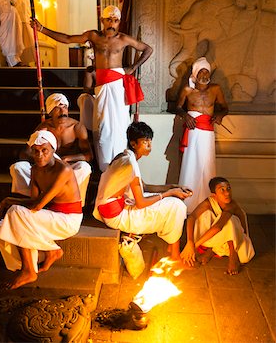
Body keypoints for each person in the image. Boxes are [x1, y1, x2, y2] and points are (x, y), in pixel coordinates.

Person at [32, 5, 153, 172]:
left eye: (116, 20)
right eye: (109, 20)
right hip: (102, 87)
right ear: (102, 20)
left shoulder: (124, 39)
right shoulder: (93, 36)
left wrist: (132, 67)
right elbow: (68, 38)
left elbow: (148, 49)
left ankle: (120, 165)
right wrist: (42, 29)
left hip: (118, 87)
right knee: (103, 126)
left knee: (120, 125)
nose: (112, 23)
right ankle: (105, 169)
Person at [0, 130, 83, 289]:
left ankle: (29, 270)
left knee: (15, 212)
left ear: (53, 150)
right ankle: (48, 252)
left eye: (44, 150)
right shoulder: (35, 169)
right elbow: (34, 201)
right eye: (36, 151)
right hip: (50, 216)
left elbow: (38, 206)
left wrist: (8, 200)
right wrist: (9, 202)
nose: (40, 155)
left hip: (68, 220)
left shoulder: (63, 170)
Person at [93, 121, 192, 261]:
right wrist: (169, 193)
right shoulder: (129, 165)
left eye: (150, 141)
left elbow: (143, 186)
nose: (150, 146)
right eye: (145, 142)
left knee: (171, 201)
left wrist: (173, 186)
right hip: (116, 215)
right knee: (176, 205)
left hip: (114, 206)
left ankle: (172, 245)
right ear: (133, 144)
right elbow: (140, 203)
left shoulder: (124, 156)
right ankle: (174, 253)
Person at [10, 93, 93, 207]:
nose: (62, 111)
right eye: (57, 108)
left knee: (84, 167)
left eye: (64, 107)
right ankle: (38, 199)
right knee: (18, 167)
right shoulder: (44, 128)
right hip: (47, 169)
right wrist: (41, 157)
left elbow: (88, 156)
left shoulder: (77, 127)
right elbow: (25, 153)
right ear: (50, 112)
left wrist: (67, 158)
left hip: (67, 171)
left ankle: (73, 201)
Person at [175, 57, 228, 213]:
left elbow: (225, 107)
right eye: (201, 72)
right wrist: (186, 116)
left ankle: (208, 204)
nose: (205, 75)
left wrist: (220, 115)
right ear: (195, 74)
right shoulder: (187, 90)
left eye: (207, 72)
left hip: (208, 132)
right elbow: (177, 107)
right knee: (191, 164)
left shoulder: (215, 89)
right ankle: (187, 205)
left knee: (207, 163)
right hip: (192, 131)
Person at [180, 177, 255, 275]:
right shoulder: (209, 202)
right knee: (204, 214)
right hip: (217, 236)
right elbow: (192, 217)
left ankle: (233, 254)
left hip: (237, 239)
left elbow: (218, 227)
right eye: (222, 190)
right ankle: (212, 249)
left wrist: (193, 246)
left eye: (228, 188)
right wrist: (189, 242)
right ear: (214, 195)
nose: (227, 193)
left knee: (231, 221)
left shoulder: (231, 205)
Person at [9, 0, 36, 65]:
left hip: (27, 22)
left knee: (28, 44)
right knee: (19, 43)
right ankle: (18, 61)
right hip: (18, 22)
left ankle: (26, 62)